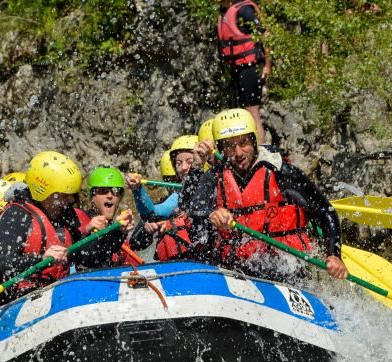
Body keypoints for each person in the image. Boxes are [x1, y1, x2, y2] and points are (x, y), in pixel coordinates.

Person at [186, 108, 348, 281]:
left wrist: (334, 254)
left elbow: (324, 210)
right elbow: (191, 210)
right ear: (221, 149)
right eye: (230, 146)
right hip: (236, 270)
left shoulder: (282, 173)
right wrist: (211, 213)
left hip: (288, 269)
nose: (239, 152)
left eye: (244, 143)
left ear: (254, 141)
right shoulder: (214, 177)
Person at [0, 151, 133, 302]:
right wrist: (41, 259)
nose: (69, 201)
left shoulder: (64, 215)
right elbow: (0, 264)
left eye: (72, 195)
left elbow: (88, 257)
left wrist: (117, 232)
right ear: (43, 192)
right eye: (63, 195)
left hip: (52, 295)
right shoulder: (17, 215)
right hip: (14, 300)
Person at [217, 0, 272, 144]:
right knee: (241, 116)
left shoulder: (244, 10)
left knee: (252, 114)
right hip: (238, 71)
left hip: (249, 68)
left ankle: (261, 150)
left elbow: (264, 34)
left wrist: (267, 65)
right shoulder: (225, 13)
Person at [125, 135, 203, 220]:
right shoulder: (180, 195)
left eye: (190, 162)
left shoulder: (215, 185)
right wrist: (138, 189)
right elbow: (152, 214)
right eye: (178, 163)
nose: (183, 167)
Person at [80, 166, 136, 267]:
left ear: (120, 198)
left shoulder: (115, 226)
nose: (110, 195)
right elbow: (87, 259)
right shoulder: (82, 220)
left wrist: (121, 232)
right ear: (92, 197)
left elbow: (109, 249)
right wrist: (88, 230)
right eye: (103, 191)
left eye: (115, 191)